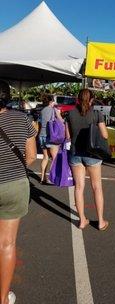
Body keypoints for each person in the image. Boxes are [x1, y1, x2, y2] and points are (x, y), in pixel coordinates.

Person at [0, 80, 37, 304]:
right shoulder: (23, 119)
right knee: (6, 243)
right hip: (14, 185)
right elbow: (31, 156)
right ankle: (3, 298)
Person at [66, 89, 109, 231]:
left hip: (75, 153)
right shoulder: (97, 114)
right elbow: (105, 135)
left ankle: (82, 220)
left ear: (78, 99)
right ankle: (101, 221)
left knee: (79, 188)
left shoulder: (70, 114)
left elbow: (68, 136)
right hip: (92, 154)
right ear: (91, 100)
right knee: (97, 187)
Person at [38, 95, 63, 184]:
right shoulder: (54, 110)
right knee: (54, 158)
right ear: (51, 102)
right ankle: (52, 178)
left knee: (45, 157)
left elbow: (40, 124)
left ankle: (42, 178)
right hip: (51, 136)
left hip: (41, 135)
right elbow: (61, 121)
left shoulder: (42, 111)